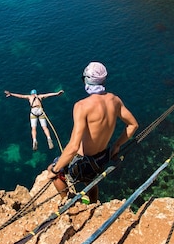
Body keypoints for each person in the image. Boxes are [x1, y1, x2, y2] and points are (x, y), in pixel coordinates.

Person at [47, 61, 138, 203]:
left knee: (54, 172)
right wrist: (116, 146)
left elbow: (73, 147)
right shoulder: (115, 100)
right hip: (102, 159)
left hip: (83, 162)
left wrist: (54, 170)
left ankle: (68, 201)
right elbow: (133, 125)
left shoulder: (82, 106)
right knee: (91, 181)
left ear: (87, 81)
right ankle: (94, 203)